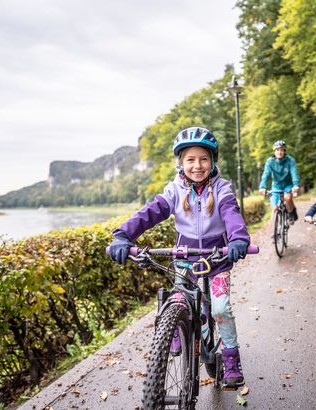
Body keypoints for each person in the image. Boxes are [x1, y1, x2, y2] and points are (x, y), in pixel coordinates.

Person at [107, 126, 249, 388]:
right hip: (184, 257)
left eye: (204, 159)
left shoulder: (222, 189)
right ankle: (174, 326)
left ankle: (231, 357)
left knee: (219, 309)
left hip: (216, 258)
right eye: (191, 160)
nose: (198, 165)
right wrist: (123, 235)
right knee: (177, 296)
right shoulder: (174, 190)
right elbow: (149, 213)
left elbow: (231, 214)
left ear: (213, 161)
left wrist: (239, 238)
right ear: (181, 163)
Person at [258, 140, 300, 226]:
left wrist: (296, 185)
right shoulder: (270, 161)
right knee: (274, 208)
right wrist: (262, 187)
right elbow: (266, 174)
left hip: (288, 185)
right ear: (274, 151)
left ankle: (291, 212)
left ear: (284, 151)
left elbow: (294, 173)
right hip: (276, 186)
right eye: (277, 150)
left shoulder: (290, 161)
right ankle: (274, 233)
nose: (279, 152)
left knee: (287, 198)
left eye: (281, 150)